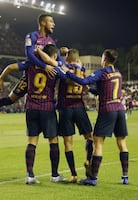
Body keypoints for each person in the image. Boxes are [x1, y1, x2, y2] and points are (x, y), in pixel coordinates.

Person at [0, 44, 67, 184]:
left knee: (32, 142)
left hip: (31, 107)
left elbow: (11, 67)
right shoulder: (55, 69)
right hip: (47, 107)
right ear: (54, 56)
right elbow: (67, 76)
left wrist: (1, 78)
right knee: (53, 141)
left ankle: (30, 176)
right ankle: (55, 175)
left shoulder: (30, 65)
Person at [0, 13, 66, 122]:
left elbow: (57, 58)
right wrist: (44, 66)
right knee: (11, 99)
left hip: (45, 75)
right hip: (30, 75)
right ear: (43, 22)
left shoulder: (51, 41)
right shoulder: (32, 36)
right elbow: (30, 55)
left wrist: (67, 67)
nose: (54, 24)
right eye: (51, 21)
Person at [63, 49, 129, 186]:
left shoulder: (102, 72)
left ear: (104, 59)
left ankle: (93, 178)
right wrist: (90, 90)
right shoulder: (118, 73)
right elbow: (102, 91)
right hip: (120, 109)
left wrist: (68, 72)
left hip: (107, 109)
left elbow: (84, 80)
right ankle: (125, 177)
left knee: (98, 143)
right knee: (122, 143)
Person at [39, 48, 93, 183]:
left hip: (65, 108)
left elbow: (55, 60)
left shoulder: (63, 67)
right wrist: (69, 52)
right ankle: (88, 159)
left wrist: (62, 55)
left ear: (66, 58)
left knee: (68, 143)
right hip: (80, 107)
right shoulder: (82, 69)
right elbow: (76, 59)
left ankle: (74, 175)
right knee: (89, 137)